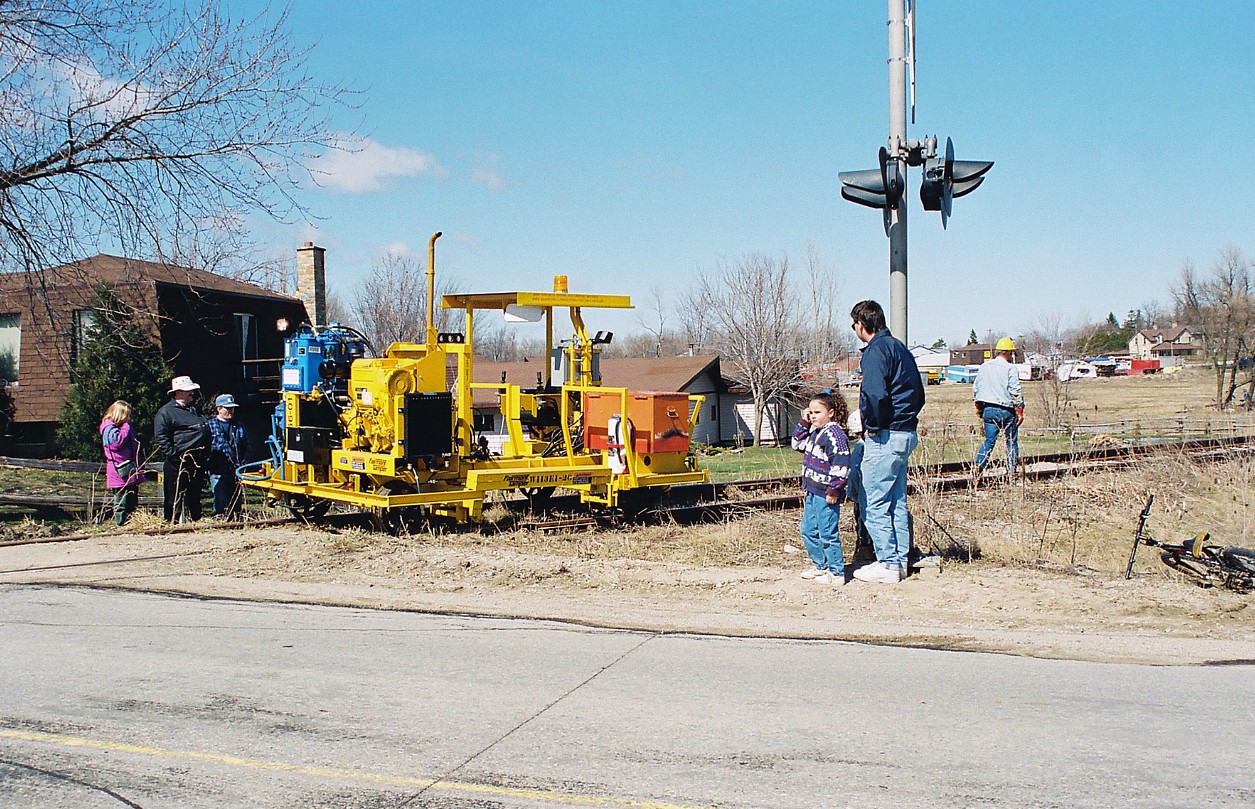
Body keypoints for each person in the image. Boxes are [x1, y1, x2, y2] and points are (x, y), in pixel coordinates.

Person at [849, 300, 925, 584]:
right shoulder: (899, 348)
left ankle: (888, 563)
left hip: (885, 434)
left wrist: (872, 425)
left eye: (854, 324)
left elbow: (875, 394)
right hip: (905, 432)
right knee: (896, 500)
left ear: (861, 324)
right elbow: (919, 394)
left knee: (874, 500)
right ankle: (900, 560)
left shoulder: (876, 351)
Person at [791, 392, 853, 587]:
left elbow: (841, 465)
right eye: (810, 412)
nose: (813, 416)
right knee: (808, 530)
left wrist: (834, 490)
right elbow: (796, 444)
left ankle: (836, 573)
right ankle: (822, 565)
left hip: (826, 493)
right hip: (812, 490)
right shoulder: (815, 432)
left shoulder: (835, 435)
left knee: (827, 532)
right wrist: (804, 422)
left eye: (817, 412)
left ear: (831, 413)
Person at [154, 375, 211, 523]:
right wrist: (175, 457)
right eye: (189, 391)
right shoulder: (166, 412)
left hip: (197, 462)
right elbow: (162, 438)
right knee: (174, 497)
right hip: (178, 462)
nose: (192, 393)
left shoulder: (195, 410)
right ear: (178, 392)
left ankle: (196, 522)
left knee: (195, 496)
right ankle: (171, 523)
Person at [973, 337, 1024, 480]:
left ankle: (978, 467)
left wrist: (978, 406)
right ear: (1008, 353)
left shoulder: (984, 367)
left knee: (989, 441)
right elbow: (1015, 391)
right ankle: (1011, 472)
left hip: (988, 410)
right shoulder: (1011, 369)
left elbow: (976, 388)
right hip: (1006, 410)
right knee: (1011, 442)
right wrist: (1019, 410)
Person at [99, 400, 147, 526]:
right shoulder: (109, 429)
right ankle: (121, 523)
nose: (129, 419)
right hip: (120, 470)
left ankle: (131, 521)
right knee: (121, 499)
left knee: (131, 497)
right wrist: (125, 427)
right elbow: (116, 444)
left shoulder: (118, 428)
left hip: (128, 468)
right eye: (127, 415)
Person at [208, 393, 250, 520]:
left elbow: (246, 447)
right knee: (220, 498)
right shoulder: (209, 426)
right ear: (219, 409)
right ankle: (219, 520)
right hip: (217, 470)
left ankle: (235, 520)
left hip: (235, 470)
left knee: (236, 500)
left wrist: (243, 464)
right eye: (227, 408)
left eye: (232, 408)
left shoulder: (239, 426)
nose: (231, 411)